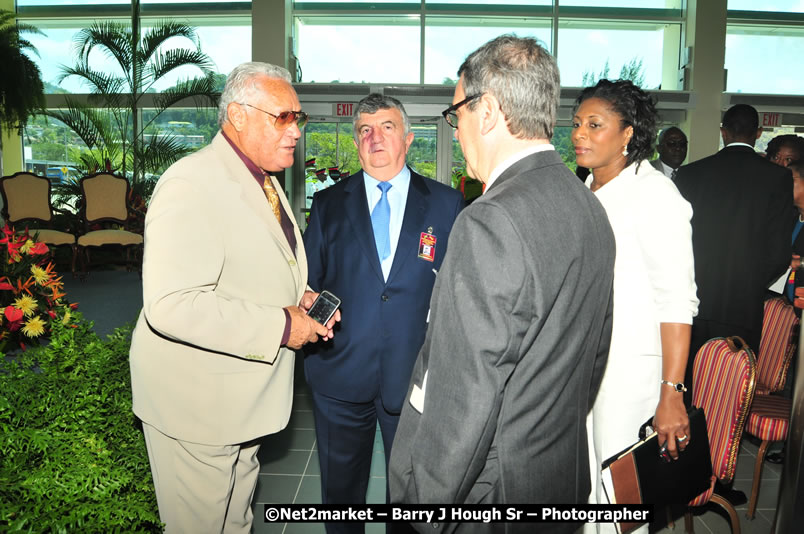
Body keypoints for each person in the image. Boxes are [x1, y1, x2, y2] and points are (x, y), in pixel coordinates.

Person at [388, 35, 616, 534]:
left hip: (490, 494)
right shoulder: (590, 207)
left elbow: (466, 392)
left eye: (457, 115)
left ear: (487, 111)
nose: (457, 131)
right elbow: (591, 357)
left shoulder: (489, 221)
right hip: (556, 479)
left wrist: (425, 507)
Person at [129, 62, 337, 533]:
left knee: (235, 522)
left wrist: (300, 297)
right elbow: (172, 304)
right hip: (198, 408)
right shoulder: (191, 183)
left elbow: (246, 266)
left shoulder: (262, 179)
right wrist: (283, 326)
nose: (296, 131)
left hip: (238, 405)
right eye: (283, 117)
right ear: (238, 115)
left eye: (298, 118)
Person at [302, 93, 464, 533]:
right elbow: (309, 283)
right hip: (339, 374)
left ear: (407, 138)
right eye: (365, 130)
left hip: (414, 379)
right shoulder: (328, 204)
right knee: (341, 498)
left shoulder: (447, 205)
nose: (375, 138)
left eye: (387, 127)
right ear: (357, 143)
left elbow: (458, 293)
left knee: (410, 499)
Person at [572, 80, 699, 533]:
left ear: (628, 133)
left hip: (630, 372)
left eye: (594, 125)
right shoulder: (588, 186)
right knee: (590, 491)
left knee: (619, 499)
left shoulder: (654, 194)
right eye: (577, 123)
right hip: (587, 364)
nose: (579, 133)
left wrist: (672, 393)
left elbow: (677, 300)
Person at [675, 104, 791, 403]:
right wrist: (750, 284)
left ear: (723, 132)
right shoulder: (777, 178)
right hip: (743, 305)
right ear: (759, 133)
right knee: (731, 394)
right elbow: (779, 254)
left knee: (689, 387)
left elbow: (674, 243)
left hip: (693, 302)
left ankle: (686, 431)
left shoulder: (689, 174)